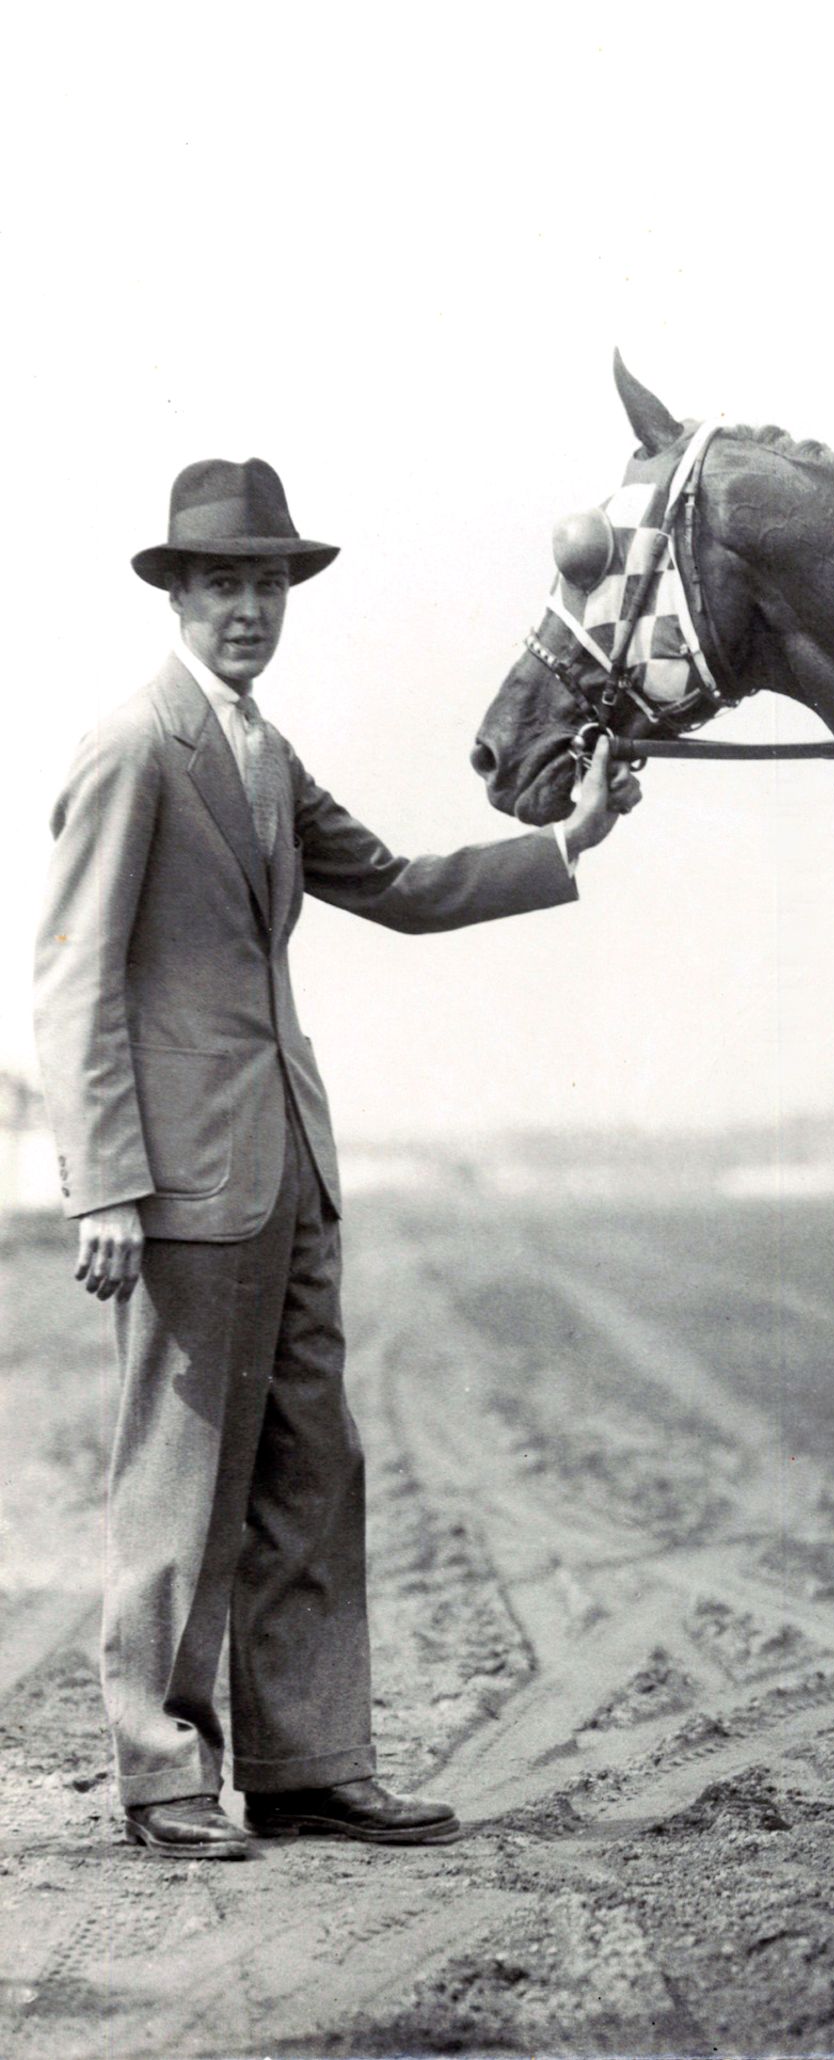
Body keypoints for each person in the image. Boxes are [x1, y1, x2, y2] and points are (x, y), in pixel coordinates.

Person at [33, 457, 638, 1858]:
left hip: (290, 1165)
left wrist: (571, 838)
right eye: (223, 583)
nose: (248, 608)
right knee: (183, 1475)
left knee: (316, 1464)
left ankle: (307, 1767)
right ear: (177, 594)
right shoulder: (136, 744)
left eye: (266, 583)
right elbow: (72, 980)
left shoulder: (258, 750)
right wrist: (107, 1183)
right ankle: (164, 1772)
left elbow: (402, 891)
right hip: (179, 1185)